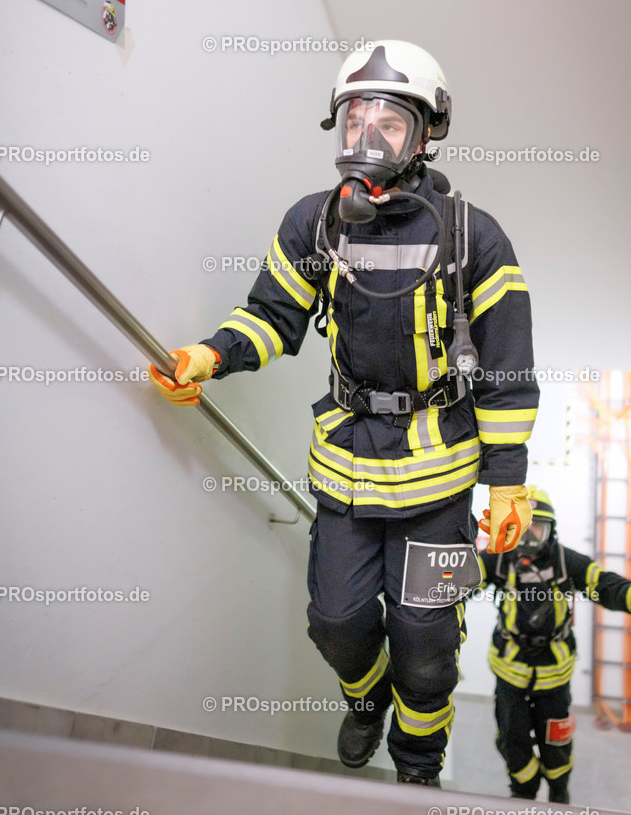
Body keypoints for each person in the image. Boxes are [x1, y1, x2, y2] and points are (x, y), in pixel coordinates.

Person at [148, 40, 539, 785]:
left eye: (387, 121)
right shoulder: (314, 224)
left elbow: (508, 369)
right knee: (334, 623)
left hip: (440, 482)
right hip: (347, 472)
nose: (366, 136)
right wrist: (211, 355)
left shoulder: (472, 237)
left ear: (424, 135)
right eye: (353, 117)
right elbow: (272, 317)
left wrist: (507, 482)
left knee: (425, 643)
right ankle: (365, 701)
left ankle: (418, 768)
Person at [477, 485, 631, 804]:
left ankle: (559, 794)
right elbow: (464, 579)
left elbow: (605, 585)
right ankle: (523, 791)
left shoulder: (568, 562)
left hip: (555, 676)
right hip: (510, 671)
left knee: (557, 744)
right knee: (511, 739)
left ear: (552, 531)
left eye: (538, 529)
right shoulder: (499, 558)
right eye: (522, 529)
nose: (529, 539)